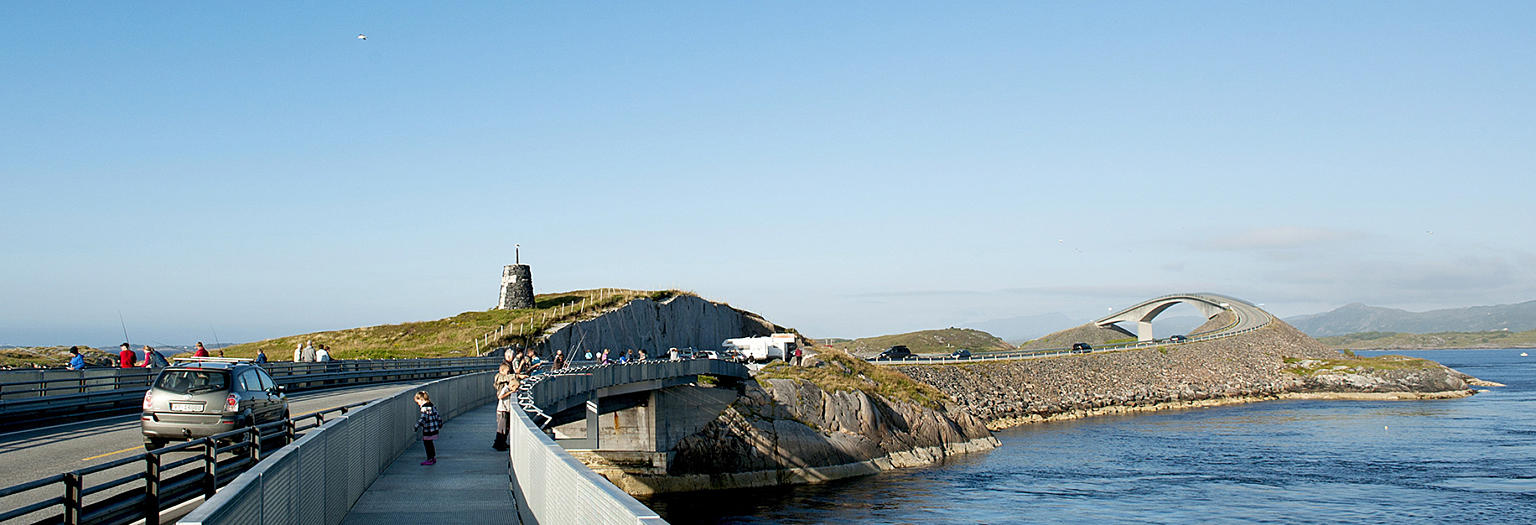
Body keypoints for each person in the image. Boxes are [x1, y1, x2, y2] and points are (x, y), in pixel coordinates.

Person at [412, 391, 443, 466]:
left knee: (427, 444)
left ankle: (430, 459)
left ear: (422, 399)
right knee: (430, 443)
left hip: (428, 429)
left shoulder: (424, 408)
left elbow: (423, 418)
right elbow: (437, 415)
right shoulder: (432, 405)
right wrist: (439, 423)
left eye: (418, 402)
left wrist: (416, 426)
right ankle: (433, 458)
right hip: (434, 429)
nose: (418, 404)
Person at [492, 362, 514, 451]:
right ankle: (499, 445)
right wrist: (510, 392)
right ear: (501, 370)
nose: (508, 374)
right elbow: (500, 396)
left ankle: (502, 443)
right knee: (502, 428)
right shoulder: (499, 379)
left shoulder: (505, 383)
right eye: (507, 372)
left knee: (506, 427)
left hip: (506, 408)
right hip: (502, 409)